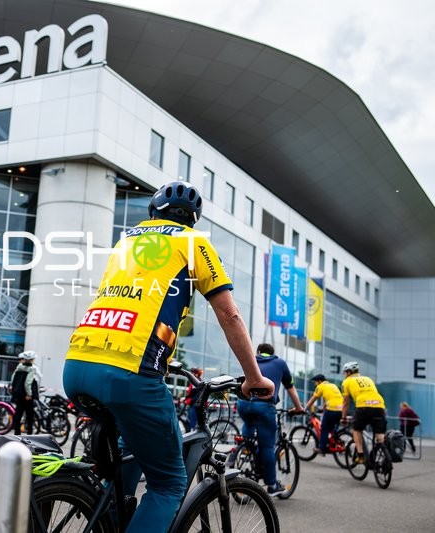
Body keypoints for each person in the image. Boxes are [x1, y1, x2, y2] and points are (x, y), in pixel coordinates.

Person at [63, 181, 275, 530]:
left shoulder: (126, 239)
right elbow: (230, 314)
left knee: (124, 457)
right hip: (130, 372)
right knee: (169, 483)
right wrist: (253, 376)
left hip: (77, 365)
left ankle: (106, 513)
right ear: (192, 218)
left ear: (154, 210)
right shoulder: (193, 242)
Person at [237, 344, 304, 495]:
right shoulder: (280, 363)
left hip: (243, 404)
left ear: (259, 352)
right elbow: (290, 387)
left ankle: (245, 448)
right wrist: (298, 408)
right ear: (272, 354)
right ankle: (272, 486)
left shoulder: (252, 359)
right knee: (267, 447)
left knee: (249, 424)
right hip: (264, 406)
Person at [340, 361, 386, 465]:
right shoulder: (368, 379)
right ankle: (385, 455)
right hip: (379, 405)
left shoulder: (346, 382)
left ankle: (361, 456)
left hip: (364, 406)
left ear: (348, 372)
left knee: (356, 430)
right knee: (380, 437)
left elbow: (345, 403)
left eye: (345, 373)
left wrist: (343, 417)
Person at [304, 373, 343, 455]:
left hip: (332, 409)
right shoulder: (332, 385)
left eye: (315, 382)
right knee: (332, 428)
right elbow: (329, 398)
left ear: (319, 381)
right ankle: (337, 441)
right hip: (341, 410)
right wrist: (323, 408)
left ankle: (322, 448)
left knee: (324, 428)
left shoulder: (320, 386)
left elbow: (312, 399)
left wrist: (304, 409)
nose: (315, 384)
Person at [11, 351, 39, 435]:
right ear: (31, 360)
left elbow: (13, 379)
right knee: (30, 415)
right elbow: (28, 383)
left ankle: (17, 433)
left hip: (18, 394)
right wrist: (29, 394)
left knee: (18, 414)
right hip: (27, 396)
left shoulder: (19, 367)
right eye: (33, 359)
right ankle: (30, 434)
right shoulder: (32, 369)